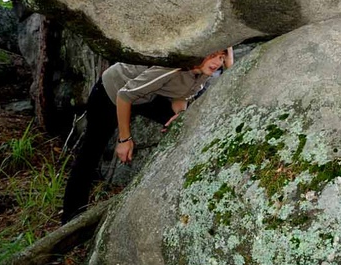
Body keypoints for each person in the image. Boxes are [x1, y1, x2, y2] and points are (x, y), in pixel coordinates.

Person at [61, 48, 233, 221]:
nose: (218, 62)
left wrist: (179, 116)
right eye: (213, 56)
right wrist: (124, 139)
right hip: (112, 93)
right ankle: (71, 217)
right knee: (91, 152)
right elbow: (125, 95)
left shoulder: (203, 71)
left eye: (221, 57)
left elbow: (181, 97)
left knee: (182, 124)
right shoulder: (171, 67)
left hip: (146, 96)